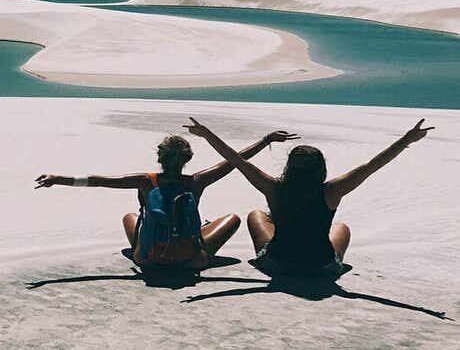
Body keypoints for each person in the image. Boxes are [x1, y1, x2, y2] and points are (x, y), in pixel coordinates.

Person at [183, 117, 435, 277]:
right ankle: (333, 262)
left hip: (277, 263)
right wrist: (406, 140)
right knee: (341, 228)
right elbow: (371, 166)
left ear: (290, 167)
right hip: (321, 266)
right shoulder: (332, 190)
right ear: (320, 168)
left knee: (257, 215)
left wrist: (207, 134)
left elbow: (236, 160)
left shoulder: (274, 188)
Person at [35, 130, 299, 269]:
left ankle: (154, 244)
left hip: (148, 259)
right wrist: (266, 140)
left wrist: (58, 178)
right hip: (191, 259)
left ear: (160, 158)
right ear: (187, 159)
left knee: (131, 217)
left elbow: (98, 180)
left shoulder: (144, 181)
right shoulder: (196, 181)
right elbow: (235, 161)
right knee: (231, 219)